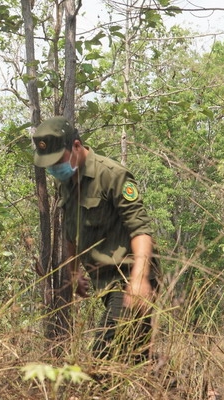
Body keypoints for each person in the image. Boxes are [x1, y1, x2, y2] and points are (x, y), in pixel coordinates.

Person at [31, 116, 161, 365]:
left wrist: (139, 279)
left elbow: (141, 230)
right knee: (135, 358)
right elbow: (71, 232)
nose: (55, 168)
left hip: (128, 278)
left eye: (58, 160)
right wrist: (74, 270)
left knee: (102, 359)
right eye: (49, 164)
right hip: (104, 282)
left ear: (77, 147)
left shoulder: (112, 175)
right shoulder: (67, 184)